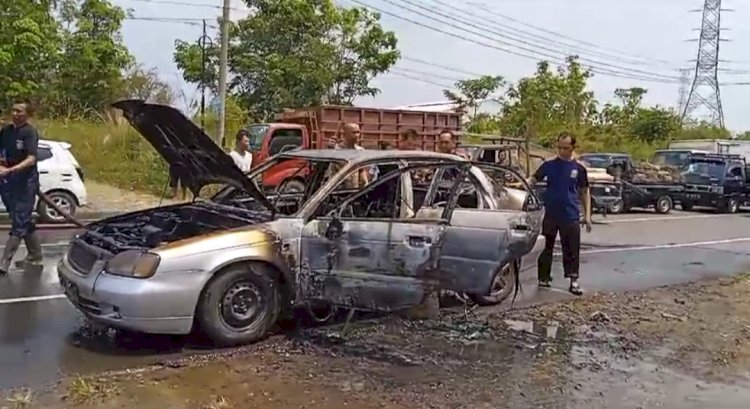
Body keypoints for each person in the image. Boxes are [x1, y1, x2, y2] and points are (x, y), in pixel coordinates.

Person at [527, 132, 592, 296]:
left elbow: (585, 192)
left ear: (572, 148)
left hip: (570, 214)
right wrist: (521, 184)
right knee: (545, 247)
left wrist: (588, 215)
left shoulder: (579, 169)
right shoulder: (549, 166)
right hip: (551, 213)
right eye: (560, 148)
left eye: (566, 148)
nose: (562, 151)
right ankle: (544, 278)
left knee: (571, 249)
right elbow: (533, 180)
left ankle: (573, 280)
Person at [0, 100, 43, 274]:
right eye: (13, 110)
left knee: (19, 222)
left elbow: (32, 158)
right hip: (8, 183)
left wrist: (11, 169)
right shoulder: (7, 131)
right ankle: (35, 255)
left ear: (27, 114)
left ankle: (4, 263)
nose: (15, 114)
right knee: (22, 219)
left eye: (19, 111)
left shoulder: (30, 132)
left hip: (26, 182)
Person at [332, 122, 370, 188]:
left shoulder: (360, 150)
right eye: (353, 133)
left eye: (358, 132)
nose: (357, 135)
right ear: (345, 134)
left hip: (354, 192)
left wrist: (365, 186)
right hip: (337, 191)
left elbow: (362, 171)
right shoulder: (336, 151)